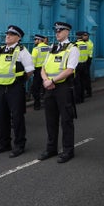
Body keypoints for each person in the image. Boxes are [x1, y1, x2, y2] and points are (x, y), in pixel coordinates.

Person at [0, 25, 35, 158]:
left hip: (15, 88)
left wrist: (19, 82)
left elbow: (30, 70)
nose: (7, 36)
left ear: (18, 38)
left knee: (17, 117)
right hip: (1, 87)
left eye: (11, 34)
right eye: (7, 34)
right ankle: (3, 144)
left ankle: (19, 145)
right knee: (2, 117)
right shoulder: (0, 49)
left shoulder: (22, 51)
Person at [38, 21, 79, 163]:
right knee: (50, 120)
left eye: (60, 31)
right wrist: (45, 80)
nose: (57, 33)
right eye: (56, 31)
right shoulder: (52, 47)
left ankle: (68, 150)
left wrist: (52, 81)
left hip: (63, 88)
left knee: (66, 120)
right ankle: (51, 148)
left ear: (67, 32)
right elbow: (43, 67)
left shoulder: (72, 48)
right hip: (49, 87)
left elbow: (70, 69)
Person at [30, 34, 49, 110]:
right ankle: (46, 103)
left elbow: (33, 61)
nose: (34, 41)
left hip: (38, 70)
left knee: (36, 88)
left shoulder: (36, 49)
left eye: (35, 40)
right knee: (46, 87)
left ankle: (37, 104)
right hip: (46, 70)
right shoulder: (48, 48)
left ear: (39, 40)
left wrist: (32, 71)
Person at [75, 30, 94, 98]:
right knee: (84, 78)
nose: (85, 37)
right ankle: (85, 92)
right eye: (84, 36)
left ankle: (86, 92)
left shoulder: (87, 43)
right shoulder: (86, 43)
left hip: (85, 61)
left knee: (83, 79)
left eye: (86, 36)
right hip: (85, 61)